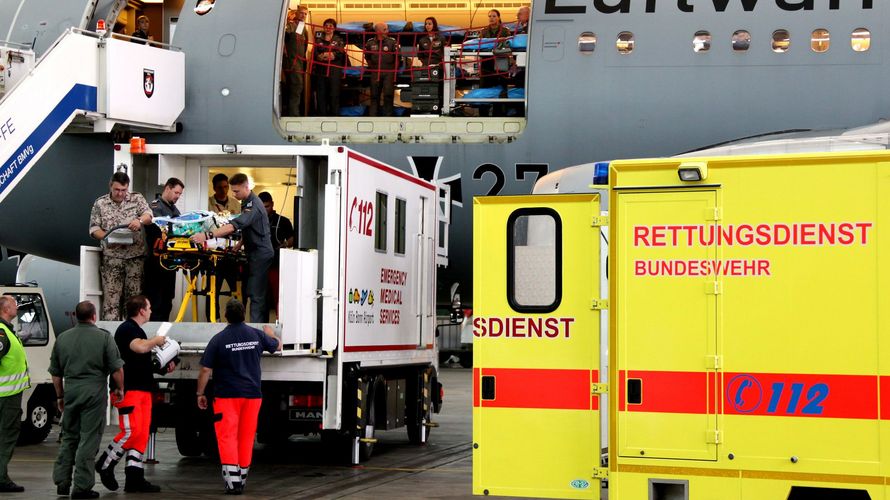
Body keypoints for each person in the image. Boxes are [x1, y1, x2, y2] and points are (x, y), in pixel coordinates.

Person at [196, 300, 280, 494]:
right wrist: (271, 334)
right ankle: (241, 478)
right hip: (252, 396)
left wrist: (200, 393)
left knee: (227, 437)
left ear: (226, 316)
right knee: (246, 436)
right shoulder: (256, 335)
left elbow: (206, 370)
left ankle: (233, 483)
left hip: (227, 396)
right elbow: (277, 346)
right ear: (244, 314)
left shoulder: (218, 339)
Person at [96, 296, 173, 494]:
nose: (151, 311)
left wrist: (164, 368)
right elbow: (138, 347)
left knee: (141, 434)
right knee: (131, 432)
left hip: (142, 390)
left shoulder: (137, 330)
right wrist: (156, 340)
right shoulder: (127, 329)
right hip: (129, 391)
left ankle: (134, 478)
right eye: (149, 307)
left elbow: (140, 361)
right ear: (141, 310)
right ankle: (106, 463)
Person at [50, 301, 125, 499]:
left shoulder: (63, 338)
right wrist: (119, 388)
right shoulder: (104, 338)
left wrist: (60, 396)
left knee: (69, 437)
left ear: (76, 316)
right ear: (94, 316)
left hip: (71, 390)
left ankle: (62, 482)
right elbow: (117, 369)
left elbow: (56, 374)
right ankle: (82, 486)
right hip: (93, 392)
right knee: (88, 439)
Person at [191, 174, 273, 323]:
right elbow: (250, 228)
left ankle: (257, 331)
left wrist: (207, 235)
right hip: (252, 252)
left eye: (236, 191)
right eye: (233, 191)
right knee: (250, 292)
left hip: (260, 254)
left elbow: (234, 226)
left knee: (256, 295)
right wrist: (240, 244)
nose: (233, 194)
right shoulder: (246, 202)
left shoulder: (254, 205)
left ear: (246, 187)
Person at [89, 171, 152, 321]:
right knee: (111, 299)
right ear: (110, 186)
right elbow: (93, 229)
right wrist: (107, 236)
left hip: (134, 258)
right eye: (117, 190)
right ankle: (111, 334)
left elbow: (149, 216)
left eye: (124, 190)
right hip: (112, 258)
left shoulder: (136, 199)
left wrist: (139, 221)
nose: (120, 193)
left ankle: (131, 332)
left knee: (134, 300)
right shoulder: (101, 203)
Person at [144, 178, 184, 321]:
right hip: (156, 261)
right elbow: (160, 230)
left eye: (180, 194)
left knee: (167, 299)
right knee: (156, 300)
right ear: (167, 188)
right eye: (176, 192)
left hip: (169, 262)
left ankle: (163, 334)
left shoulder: (174, 209)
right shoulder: (155, 207)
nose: (178, 196)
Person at [0, 296, 28, 493]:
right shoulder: (2, 333)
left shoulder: (8, 331)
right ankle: (0, 478)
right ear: (6, 308)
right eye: (14, 303)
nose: (17, 306)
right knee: (7, 436)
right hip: (6, 398)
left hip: (9, 395)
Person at [257, 192, 294, 316]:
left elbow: (292, 238)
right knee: (260, 298)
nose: (264, 210)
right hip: (259, 266)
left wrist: (284, 245)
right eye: (262, 207)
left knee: (278, 296)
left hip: (276, 265)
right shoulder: (254, 221)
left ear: (272, 204)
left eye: (267, 206)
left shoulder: (282, 221)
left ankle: (280, 321)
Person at [364, 23, 399, 116]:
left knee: (388, 95)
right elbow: (367, 56)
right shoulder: (370, 42)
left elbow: (398, 57)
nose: (387, 31)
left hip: (389, 72)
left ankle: (388, 117)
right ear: (378, 31)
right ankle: (373, 118)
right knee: (374, 96)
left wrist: (394, 70)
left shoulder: (392, 42)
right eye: (385, 29)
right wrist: (373, 67)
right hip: (375, 72)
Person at [312, 19, 346, 116]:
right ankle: (321, 116)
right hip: (321, 70)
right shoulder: (318, 38)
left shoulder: (339, 39)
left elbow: (340, 52)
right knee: (321, 93)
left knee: (334, 93)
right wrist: (320, 56)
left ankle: (334, 116)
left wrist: (331, 55)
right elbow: (315, 52)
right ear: (323, 27)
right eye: (326, 25)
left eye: (330, 26)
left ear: (334, 28)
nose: (328, 28)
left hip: (334, 70)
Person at [283, 6, 310, 117]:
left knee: (297, 88)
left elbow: (303, 45)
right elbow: (287, 37)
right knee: (296, 87)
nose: (303, 15)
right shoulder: (291, 25)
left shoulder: (302, 27)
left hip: (300, 63)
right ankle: (294, 115)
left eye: (305, 14)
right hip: (292, 63)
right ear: (296, 13)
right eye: (301, 13)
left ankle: (295, 113)